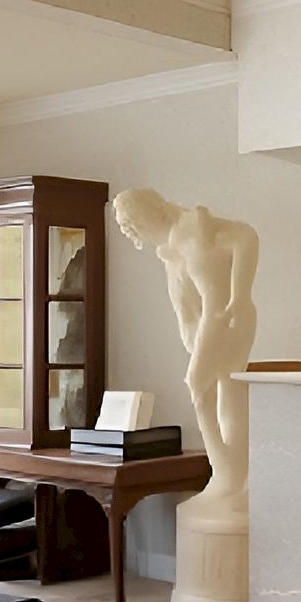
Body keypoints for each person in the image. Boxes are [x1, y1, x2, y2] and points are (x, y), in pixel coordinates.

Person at [112, 188, 259, 504]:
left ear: (146, 217)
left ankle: (227, 476)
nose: (136, 237)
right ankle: (227, 476)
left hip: (222, 328)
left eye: (133, 229)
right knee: (223, 397)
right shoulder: (177, 239)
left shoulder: (191, 237)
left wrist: (199, 363)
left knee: (206, 393)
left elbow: (214, 305)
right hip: (215, 330)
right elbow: (243, 236)